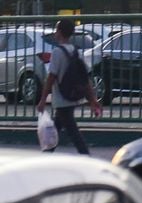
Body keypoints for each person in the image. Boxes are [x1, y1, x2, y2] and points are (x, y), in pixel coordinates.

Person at [36, 19, 103, 155]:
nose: (55, 32)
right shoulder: (75, 51)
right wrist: (92, 100)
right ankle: (47, 153)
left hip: (61, 98)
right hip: (72, 95)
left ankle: (85, 155)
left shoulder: (57, 52)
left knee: (72, 131)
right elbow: (84, 78)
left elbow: (51, 77)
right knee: (56, 126)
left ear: (59, 32)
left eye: (56, 30)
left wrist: (43, 99)